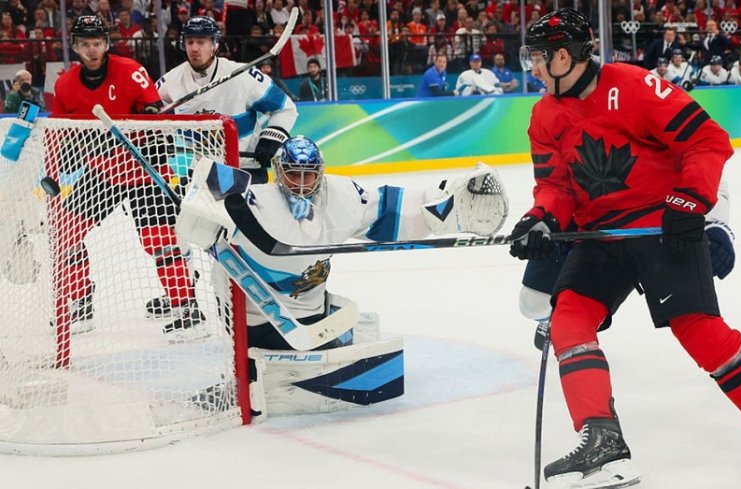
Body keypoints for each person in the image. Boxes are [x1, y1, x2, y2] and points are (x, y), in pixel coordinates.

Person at [511, 8, 741, 487]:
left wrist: (689, 200)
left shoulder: (634, 86)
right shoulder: (544, 115)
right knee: (568, 319)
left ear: (565, 55)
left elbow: (707, 140)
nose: (531, 66)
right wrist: (539, 218)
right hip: (602, 238)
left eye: (537, 56)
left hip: (663, 227)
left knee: (698, 330)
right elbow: (555, 187)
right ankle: (604, 443)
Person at [173, 136, 508, 412]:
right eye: (293, 175)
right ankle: (245, 368)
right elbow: (207, 187)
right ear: (278, 172)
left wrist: (445, 205)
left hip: (313, 315)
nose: (302, 184)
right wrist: (194, 196)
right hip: (258, 324)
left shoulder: (340, 196)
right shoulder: (255, 201)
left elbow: (391, 209)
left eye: (309, 175)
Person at [51, 16, 201, 338]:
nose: (92, 50)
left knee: (158, 241)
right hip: (102, 171)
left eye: (97, 43)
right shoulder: (64, 84)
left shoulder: (130, 71)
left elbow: (156, 116)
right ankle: (81, 302)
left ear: (106, 44)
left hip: (143, 169)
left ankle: (187, 307)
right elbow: (62, 133)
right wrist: (72, 152)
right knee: (66, 233)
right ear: (75, 46)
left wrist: (148, 119)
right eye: (85, 44)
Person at [156, 15, 298, 185]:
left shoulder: (242, 75)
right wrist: (162, 136)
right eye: (190, 42)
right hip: (202, 170)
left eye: (201, 42)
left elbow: (284, 107)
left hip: (245, 168)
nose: (194, 48)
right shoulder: (171, 81)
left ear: (214, 45)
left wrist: (272, 137)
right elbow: (151, 111)